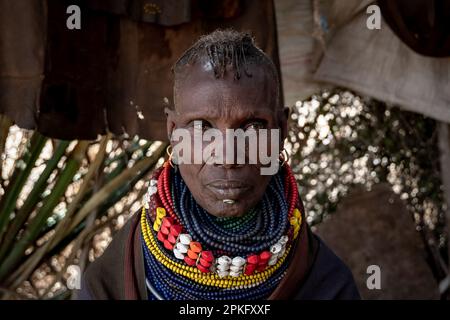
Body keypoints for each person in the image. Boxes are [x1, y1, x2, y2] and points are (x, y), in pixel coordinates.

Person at [79, 29, 360, 300]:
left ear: (281, 130)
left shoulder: (327, 284)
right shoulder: (117, 275)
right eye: (202, 127)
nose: (227, 157)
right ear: (174, 133)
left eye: (252, 126)